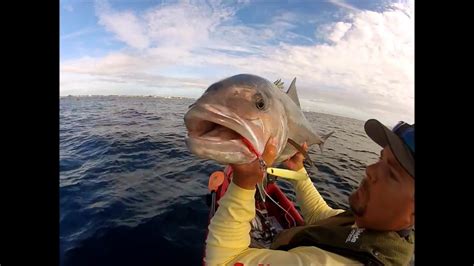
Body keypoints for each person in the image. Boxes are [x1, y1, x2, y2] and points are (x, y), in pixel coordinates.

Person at [205, 119, 415, 265]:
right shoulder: (373, 228)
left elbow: (223, 261)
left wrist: (243, 185)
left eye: (393, 173)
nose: (369, 170)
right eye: (380, 158)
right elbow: (320, 214)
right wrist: (299, 170)